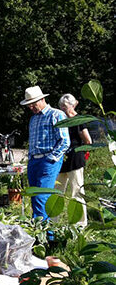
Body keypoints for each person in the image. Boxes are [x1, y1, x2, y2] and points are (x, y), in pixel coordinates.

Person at [20, 86, 70, 222]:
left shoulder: (56, 114)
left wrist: (51, 158)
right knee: (34, 196)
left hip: (48, 160)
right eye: (29, 105)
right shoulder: (33, 119)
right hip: (34, 161)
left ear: (42, 99)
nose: (31, 107)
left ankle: (48, 236)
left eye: (33, 104)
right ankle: (38, 230)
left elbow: (65, 141)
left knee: (42, 197)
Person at [57, 94, 91, 227]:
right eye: (61, 107)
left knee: (77, 191)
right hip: (61, 159)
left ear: (73, 105)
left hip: (75, 159)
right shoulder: (61, 120)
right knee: (56, 191)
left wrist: (82, 152)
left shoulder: (79, 120)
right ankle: (52, 222)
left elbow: (88, 141)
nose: (63, 109)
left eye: (65, 107)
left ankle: (80, 224)